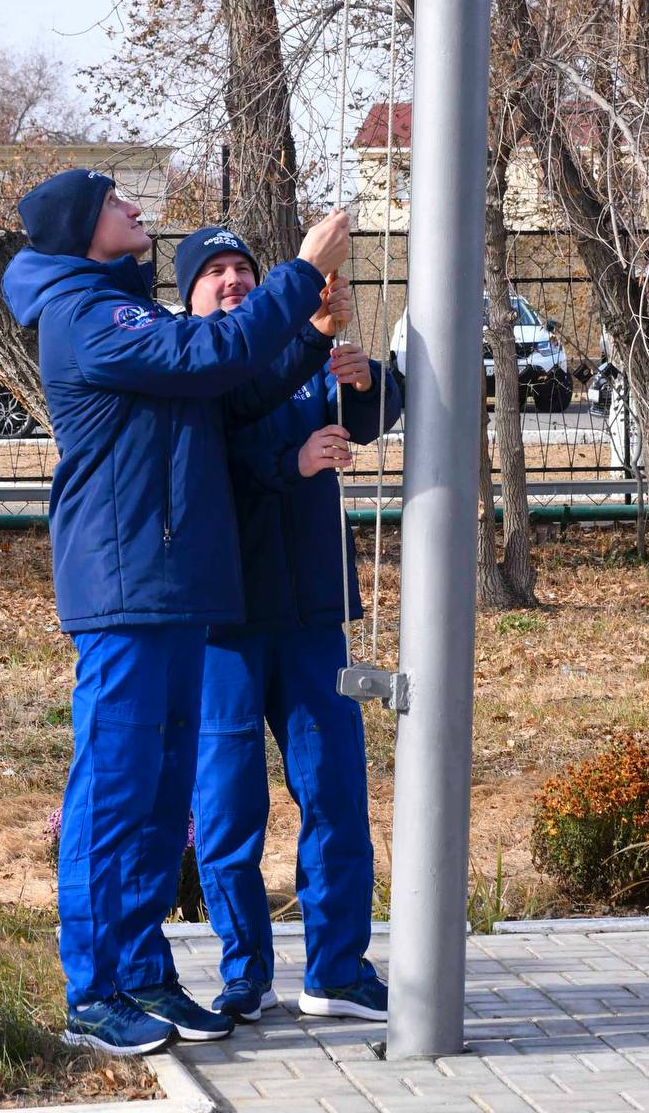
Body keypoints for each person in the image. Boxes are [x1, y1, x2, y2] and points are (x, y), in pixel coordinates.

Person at [1, 171, 356, 1056]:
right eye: (118, 202)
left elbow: (227, 388)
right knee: (112, 794)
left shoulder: (129, 310)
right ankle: (94, 992)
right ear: (86, 229)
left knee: (162, 801)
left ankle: (145, 974)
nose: (135, 210)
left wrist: (309, 341)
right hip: (126, 588)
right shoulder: (86, 314)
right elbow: (206, 358)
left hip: (176, 586)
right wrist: (299, 275)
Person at [175, 225, 402, 1027]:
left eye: (243, 268)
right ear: (189, 295)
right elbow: (212, 467)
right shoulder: (192, 365)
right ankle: (245, 977)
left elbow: (375, 414)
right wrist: (291, 465)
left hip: (312, 617)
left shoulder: (299, 351)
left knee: (334, 793)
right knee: (230, 810)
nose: (233, 281)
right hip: (227, 627)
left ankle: (336, 971)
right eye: (215, 273)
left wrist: (364, 373)